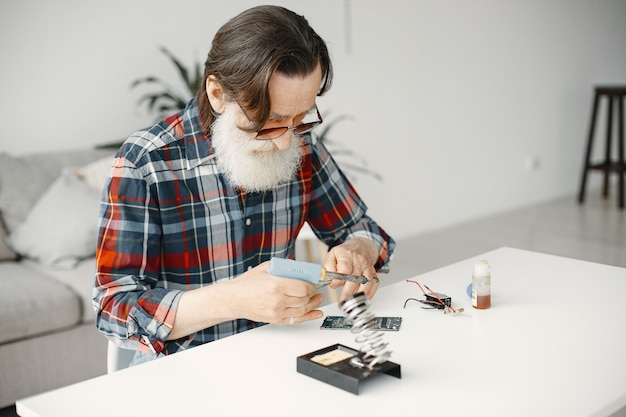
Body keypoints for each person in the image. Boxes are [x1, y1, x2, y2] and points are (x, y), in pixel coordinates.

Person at [93, 5, 395, 365]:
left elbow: (364, 230)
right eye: (271, 122)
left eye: (301, 119)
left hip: (280, 353)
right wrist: (234, 299)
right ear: (218, 94)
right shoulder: (145, 164)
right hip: (184, 370)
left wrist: (357, 249)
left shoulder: (299, 141)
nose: (287, 142)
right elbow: (114, 309)